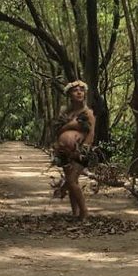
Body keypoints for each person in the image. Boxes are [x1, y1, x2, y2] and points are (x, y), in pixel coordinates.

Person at [52, 80, 95, 220]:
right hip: (65, 152)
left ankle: (84, 213)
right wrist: (69, 126)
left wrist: (83, 150)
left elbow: (91, 133)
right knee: (71, 183)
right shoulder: (66, 112)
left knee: (71, 181)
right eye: (75, 90)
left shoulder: (87, 113)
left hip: (80, 152)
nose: (79, 92)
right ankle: (75, 212)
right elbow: (57, 130)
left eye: (81, 90)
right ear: (70, 94)